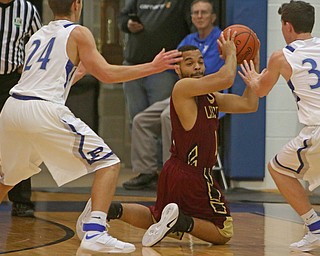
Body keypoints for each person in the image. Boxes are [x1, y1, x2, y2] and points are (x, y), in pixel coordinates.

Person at [0, 0, 182, 254]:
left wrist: (76, 74)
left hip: (13, 106)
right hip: (42, 109)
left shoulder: (38, 34)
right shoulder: (78, 32)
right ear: (78, 4)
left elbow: (42, 80)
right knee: (108, 163)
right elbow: (107, 74)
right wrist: (153, 67)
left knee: (8, 178)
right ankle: (96, 232)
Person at [77, 37, 260, 246]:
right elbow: (226, 78)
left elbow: (248, 104)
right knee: (223, 231)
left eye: (200, 61)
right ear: (178, 70)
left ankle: (104, 209)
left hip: (174, 171)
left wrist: (254, 63)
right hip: (193, 175)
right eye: (189, 63)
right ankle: (180, 222)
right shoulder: (183, 87)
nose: (197, 66)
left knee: (156, 217)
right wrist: (231, 53)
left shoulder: (210, 97)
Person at [238, 0, 320, 253]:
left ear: (287, 26)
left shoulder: (282, 56)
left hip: (316, 130)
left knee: (278, 169)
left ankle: (314, 227)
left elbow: (261, 90)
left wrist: (253, 79)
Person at [123, 0, 225, 190]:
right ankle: (147, 172)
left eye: (204, 12)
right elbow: (175, 64)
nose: (199, 16)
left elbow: (208, 72)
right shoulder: (188, 40)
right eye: (196, 13)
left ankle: (173, 172)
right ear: (191, 17)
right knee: (141, 119)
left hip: (207, 97)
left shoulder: (220, 40)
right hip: (185, 95)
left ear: (213, 17)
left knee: (168, 115)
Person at [0, 0, 42, 217]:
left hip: (12, 82)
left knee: (18, 139)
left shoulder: (27, 9)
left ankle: (21, 201)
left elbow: (39, 43)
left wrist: (26, 66)